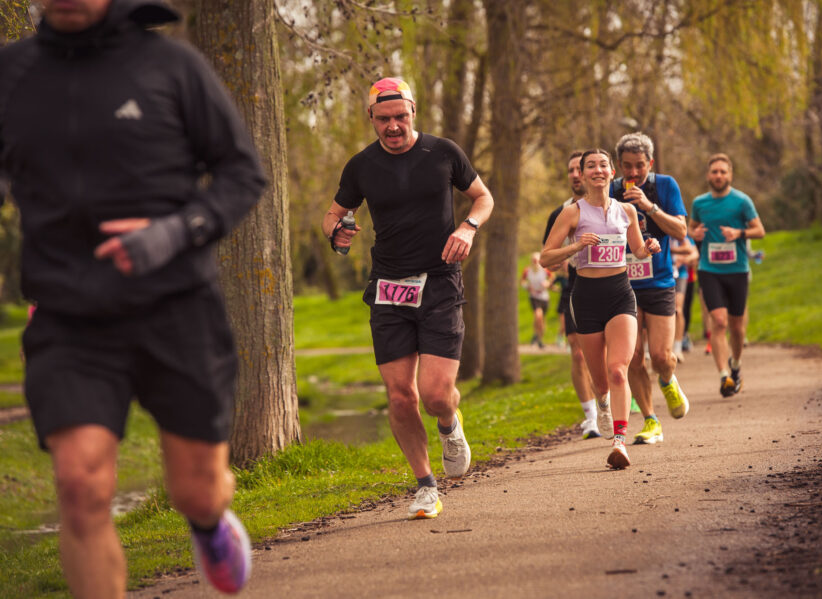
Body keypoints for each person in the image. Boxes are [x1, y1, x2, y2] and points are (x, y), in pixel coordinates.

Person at [0, 0, 266, 596]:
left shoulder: (171, 66)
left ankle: (208, 520)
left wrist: (173, 233)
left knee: (197, 488)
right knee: (79, 485)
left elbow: (242, 173)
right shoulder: (11, 74)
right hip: (69, 314)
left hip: (177, 307)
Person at [322, 77, 494, 520]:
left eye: (400, 117)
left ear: (414, 112)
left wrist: (467, 228)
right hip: (388, 287)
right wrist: (336, 232)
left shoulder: (443, 152)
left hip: (439, 281)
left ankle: (449, 425)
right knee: (400, 396)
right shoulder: (361, 165)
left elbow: (482, 197)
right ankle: (425, 486)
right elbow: (334, 213)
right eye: (384, 119)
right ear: (372, 120)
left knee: (436, 394)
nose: (393, 126)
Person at [541, 149, 660, 469]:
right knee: (600, 379)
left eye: (603, 165)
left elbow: (637, 249)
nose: (597, 170)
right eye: (590, 166)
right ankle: (603, 404)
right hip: (586, 297)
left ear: (612, 173)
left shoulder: (627, 212)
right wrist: (577, 246)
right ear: (582, 174)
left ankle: (620, 443)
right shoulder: (572, 213)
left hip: (621, 294)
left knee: (619, 368)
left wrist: (649, 247)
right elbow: (546, 258)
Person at [610, 133, 690, 445]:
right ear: (618, 165)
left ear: (650, 164)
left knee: (660, 356)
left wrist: (649, 206)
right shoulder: (612, 191)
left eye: (639, 166)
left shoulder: (665, 186)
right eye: (627, 166)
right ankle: (650, 420)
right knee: (632, 357)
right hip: (623, 285)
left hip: (659, 282)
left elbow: (681, 230)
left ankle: (669, 381)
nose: (632, 173)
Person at [543, 151, 612, 440]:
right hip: (576, 285)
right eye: (571, 169)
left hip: (611, 283)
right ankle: (591, 417)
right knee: (578, 352)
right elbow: (549, 256)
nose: (574, 174)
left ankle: (613, 399)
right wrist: (571, 251)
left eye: (577, 168)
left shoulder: (614, 206)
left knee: (608, 354)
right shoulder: (561, 213)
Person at [689, 153, 766, 397]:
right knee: (719, 322)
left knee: (736, 325)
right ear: (708, 175)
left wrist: (739, 233)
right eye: (715, 172)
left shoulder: (742, 201)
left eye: (723, 171)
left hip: (737, 270)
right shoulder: (699, 203)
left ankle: (735, 365)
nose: (719, 175)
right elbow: (692, 228)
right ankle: (724, 377)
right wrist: (695, 234)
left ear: (730, 175)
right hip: (709, 270)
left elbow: (760, 231)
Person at [671, 236, 699, 362]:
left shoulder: (682, 234)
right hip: (661, 275)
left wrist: (683, 259)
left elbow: (694, 253)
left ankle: (677, 348)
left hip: (680, 275)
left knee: (678, 309)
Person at [521, 252, 552, 349]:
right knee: (538, 315)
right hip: (534, 296)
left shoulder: (544, 270)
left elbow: (552, 278)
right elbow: (522, 281)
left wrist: (547, 283)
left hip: (544, 297)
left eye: (537, 261)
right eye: (533, 261)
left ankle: (539, 338)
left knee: (541, 320)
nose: (535, 262)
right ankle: (537, 336)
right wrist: (527, 286)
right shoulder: (527, 270)